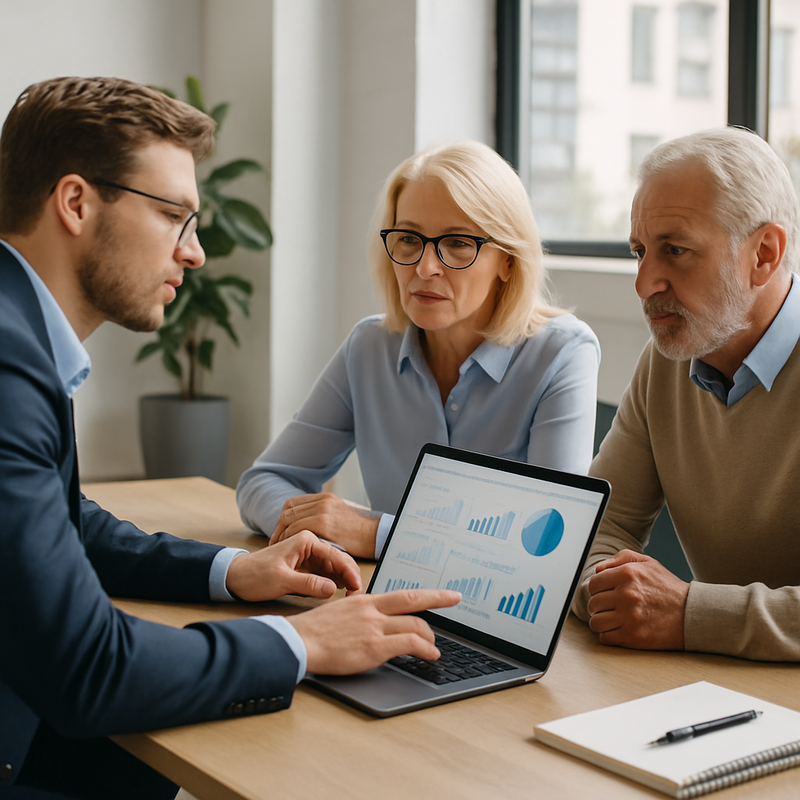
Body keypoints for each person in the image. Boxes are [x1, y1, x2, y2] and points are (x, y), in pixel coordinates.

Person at [0, 76, 460, 800]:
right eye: (175, 216)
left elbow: (63, 521)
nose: (196, 254)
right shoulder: (7, 360)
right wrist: (304, 641)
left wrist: (231, 571)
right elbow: (90, 669)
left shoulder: (14, 329)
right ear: (76, 203)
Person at [237, 141, 600, 559]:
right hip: (378, 600)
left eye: (458, 243)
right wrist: (313, 529)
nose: (425, 268)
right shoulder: (368, 348)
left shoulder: (562, 354)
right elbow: (261, 482)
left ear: (508, 261)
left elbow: (550, 544)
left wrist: (372, 533)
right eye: (409, 238)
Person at [571, 126, 800, 662]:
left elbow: (677, 612)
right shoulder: (668, 361)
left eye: (675, 250)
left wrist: (685, 614)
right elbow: (596, 528)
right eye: (640, 251)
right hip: (722, 690)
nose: (645, 282)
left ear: (764, 254)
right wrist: (614, 597)